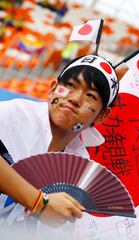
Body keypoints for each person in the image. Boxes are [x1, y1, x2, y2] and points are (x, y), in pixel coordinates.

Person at [0, 54, 119, 227]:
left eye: (91, 96)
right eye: (70, 85)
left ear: (102, 115)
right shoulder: (12, 114)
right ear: (53, 88)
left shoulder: (79, 168)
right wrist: (39, 203)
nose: (75, 99)